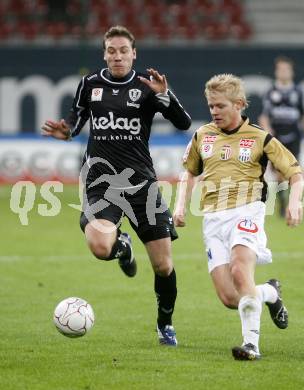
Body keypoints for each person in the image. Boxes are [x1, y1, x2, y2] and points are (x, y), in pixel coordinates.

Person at [41, 25, 191, 346]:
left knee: (163, 266)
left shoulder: (148, 86)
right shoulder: (90, 83)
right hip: (101, 182)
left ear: (133, 53)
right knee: (99, 246)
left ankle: (165, 323)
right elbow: (77, 120)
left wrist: (165, 95)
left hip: (142, 185)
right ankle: (121, 245)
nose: (117, 56)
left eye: (123, 50)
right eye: (112, 50)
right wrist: (65, 131)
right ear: (104, 53)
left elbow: (183, 123)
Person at [173, 74, 304, 360]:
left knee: (239, 270)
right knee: (231, 298)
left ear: (240, 104)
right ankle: (269, 292)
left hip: (248, 211)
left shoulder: (260, 137)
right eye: (211, 106)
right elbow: (188, 172)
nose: (214, 112)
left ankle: (251, 346)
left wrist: (294, 203)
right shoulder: (202, 135)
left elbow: (295, 173)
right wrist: (180, 206)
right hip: (212, 219)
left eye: (220, 106)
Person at [259, 56, 304, 217]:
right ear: (276, 72)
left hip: (294, 136)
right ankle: (284, 203)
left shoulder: (298, 92)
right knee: (280, 173)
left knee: (294, 171)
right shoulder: (270, 92)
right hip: (277, 139)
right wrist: (269, 133)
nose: (283, 72)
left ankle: (292, 202)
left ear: (291, 72)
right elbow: (264, 116)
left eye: (286, 69)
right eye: (280, 69)